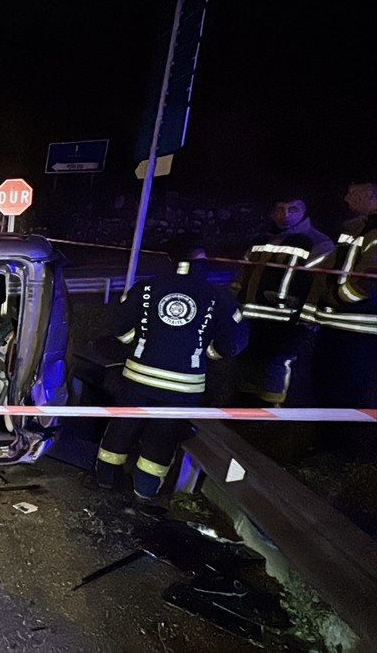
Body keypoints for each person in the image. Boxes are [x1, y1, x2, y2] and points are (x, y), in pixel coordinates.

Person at [95, 233, 250, 502]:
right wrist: (202, 353)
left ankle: (104, 483)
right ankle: (143, 493)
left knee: (121, 429)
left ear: (170, 258)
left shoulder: (146, 288)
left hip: (136, 378)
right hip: (183, 388)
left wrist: (143, 344)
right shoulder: (218, 297)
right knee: (161, 439)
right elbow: (233, 344)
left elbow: (118, 328)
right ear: (205, 260)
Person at [230, 198, 333, 406]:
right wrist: (236, 298)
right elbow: (243, 273)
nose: (285, 214)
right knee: (247, 359)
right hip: (252, 315)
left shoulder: (318, 243)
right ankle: (243, 405)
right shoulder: (260, 240)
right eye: (280, 209)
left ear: (304, 213)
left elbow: (319, 283)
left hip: (289, 320)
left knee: (277, 363)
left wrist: (308, 315)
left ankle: (272, 409)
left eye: (292, 209)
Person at [301, 180, 377, 410]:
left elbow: (368, 280)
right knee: (327, 389)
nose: (346, 198)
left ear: (370, 194)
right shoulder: (356, 228)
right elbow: (331, 265)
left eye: (352, 193)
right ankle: (328, 441)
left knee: (349, 394)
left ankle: (344, 443)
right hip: (336, 325)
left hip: (359, 329)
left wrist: (335, 298)